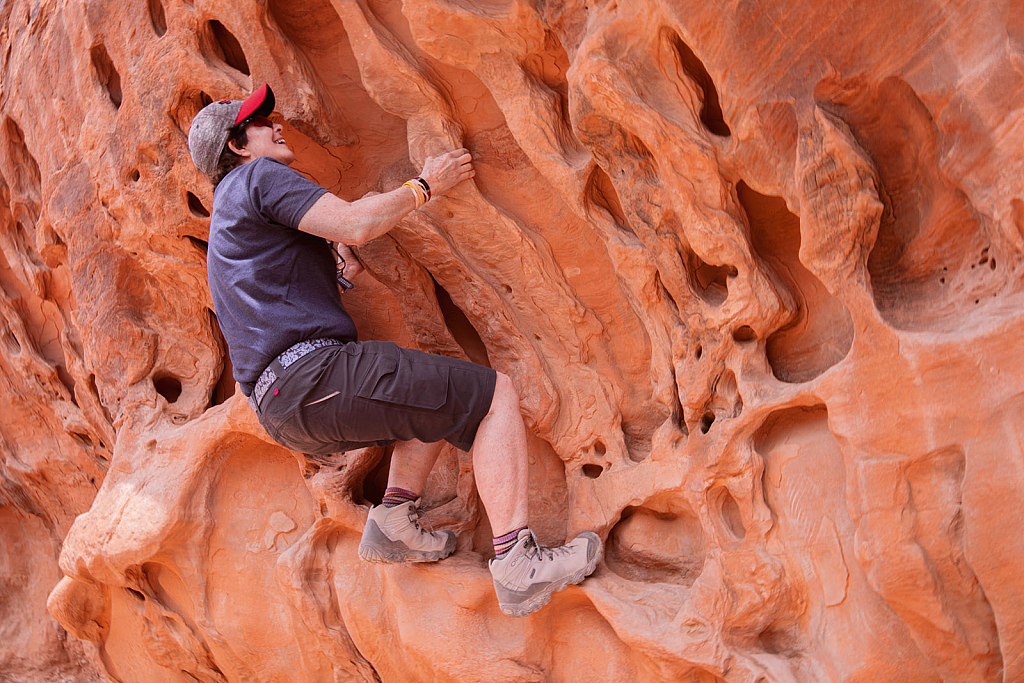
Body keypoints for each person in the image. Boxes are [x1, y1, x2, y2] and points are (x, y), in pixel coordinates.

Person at [187, 84, 601, 617]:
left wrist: (329, 261)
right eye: (260, 123)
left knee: (427, 398)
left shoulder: (229, 212)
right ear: (239, 147)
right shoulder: (258, 177)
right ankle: (517, 564)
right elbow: (356, 221)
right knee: (492, 396)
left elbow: (318, 241)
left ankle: (394, 522)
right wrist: (428, 184)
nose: (275, 124)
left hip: (285, 406)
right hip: (315, 376)